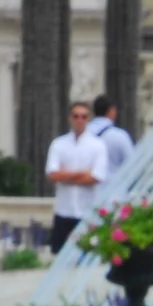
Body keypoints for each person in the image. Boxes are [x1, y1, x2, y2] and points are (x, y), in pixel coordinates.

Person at [43, 101, 107, 256]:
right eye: (76, 116)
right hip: (64, 210)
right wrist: (82, 173)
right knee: (58, 256)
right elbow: (52, 174)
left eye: (83, 117)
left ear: (88, 119)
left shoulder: (97, 145)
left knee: (88, 256)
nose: (79, 120)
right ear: (69, 118)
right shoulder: (59, 144)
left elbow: (96, 177)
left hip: (87, 211)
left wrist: (66, 176)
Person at [93, 100, 139, 212]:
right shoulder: (119, 136)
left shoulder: (84, 135)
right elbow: (132, 164)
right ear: (111, 111)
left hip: (87, 195)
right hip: (114, 195)